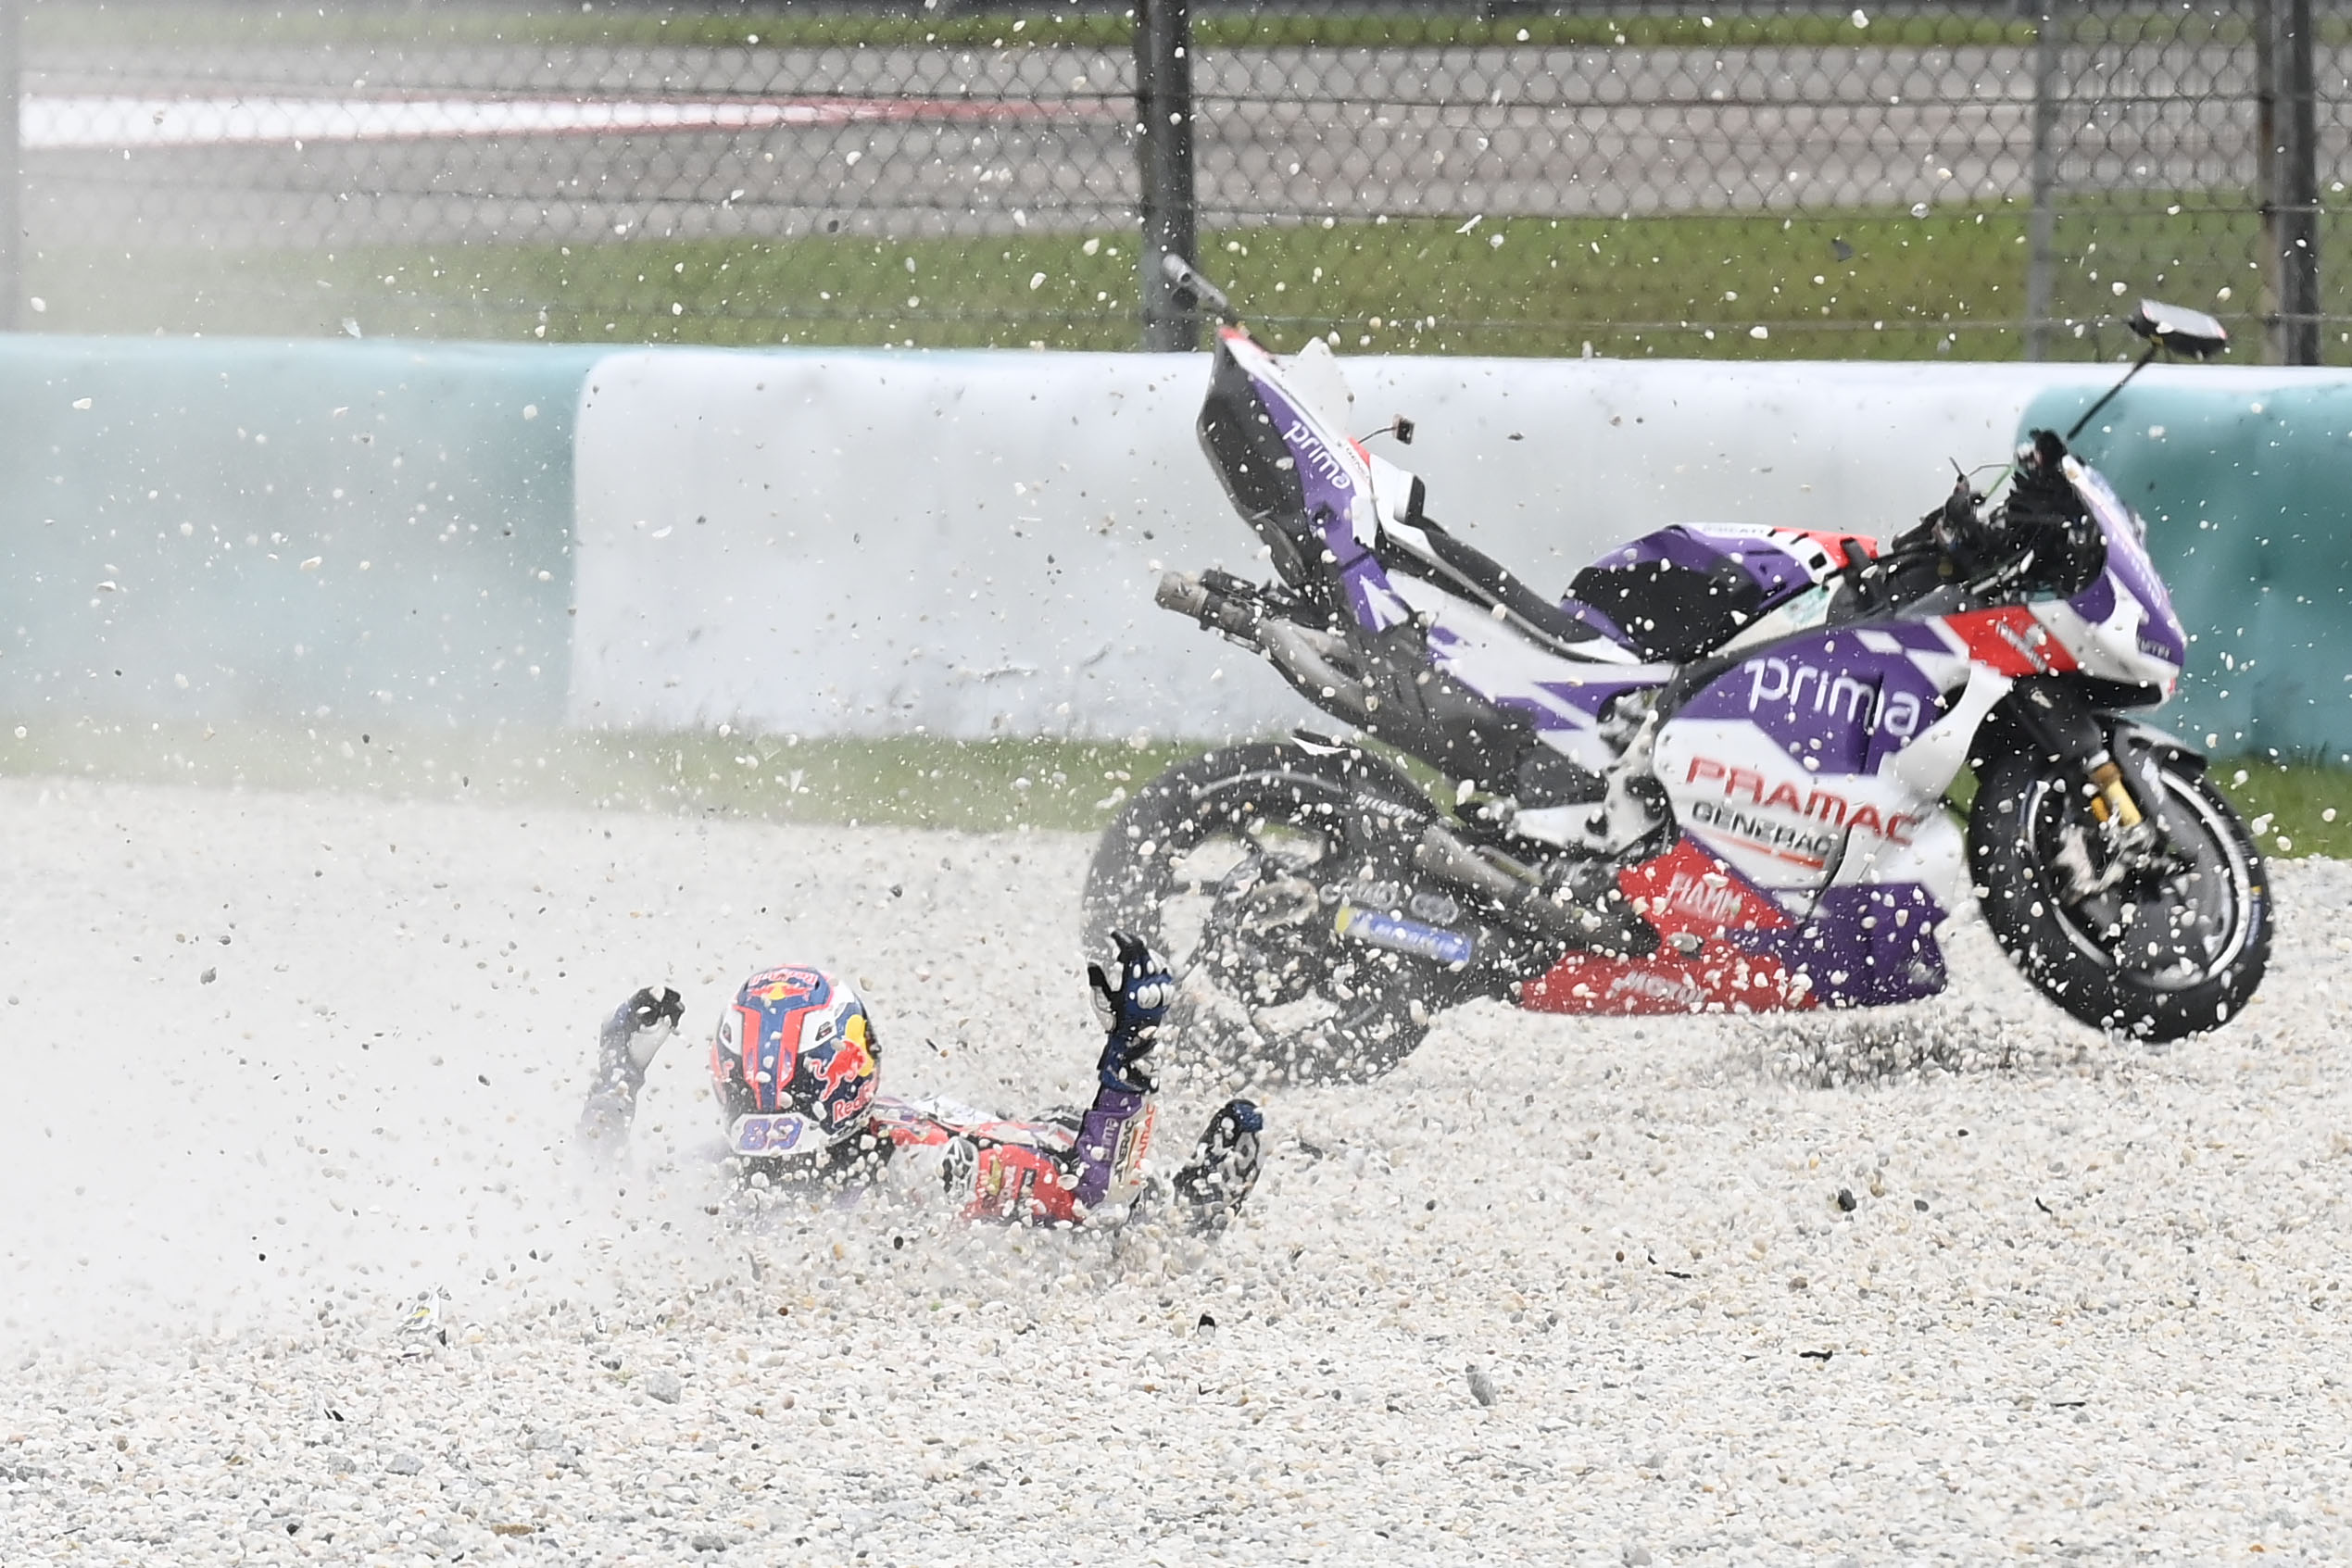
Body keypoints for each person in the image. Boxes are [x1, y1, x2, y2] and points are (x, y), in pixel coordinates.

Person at [576, 934, 1264, 1235]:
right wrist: (1131, 1055)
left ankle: (1179, 1207)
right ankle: (1180, 1209)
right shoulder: (921, 1162)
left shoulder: (721, 1174)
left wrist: (617, 1078)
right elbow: (1094, 1194)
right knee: (1101, 1184)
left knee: (1081, 1164)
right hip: (976, 1160)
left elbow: (597, 1205)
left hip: (966, 1145)